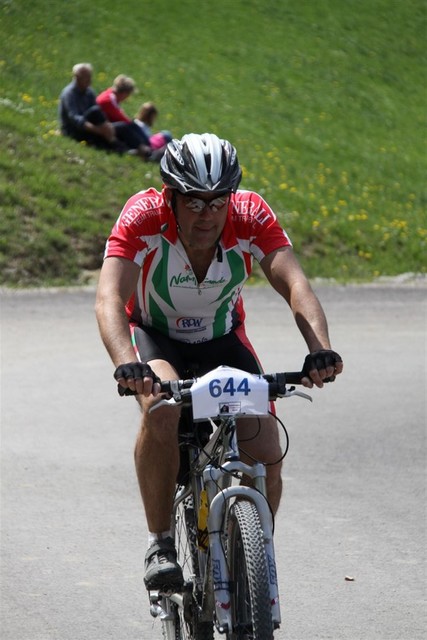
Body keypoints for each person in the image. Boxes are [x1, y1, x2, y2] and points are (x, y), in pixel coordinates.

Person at [95, 133, 343, 591]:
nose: (206, 214)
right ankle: (160, 544)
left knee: (265, 450)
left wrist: (319, 348)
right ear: (171, 196)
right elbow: (109, 296)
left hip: (222, 340)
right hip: (156, 338)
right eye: (193, 201)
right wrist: (128, 364)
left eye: (217, 202)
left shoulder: (250, 214)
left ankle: (252, 557)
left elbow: (295, 285)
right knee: (161, 410)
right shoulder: (143, 215)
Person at [59, 64, 151, 159]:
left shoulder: (89, 92)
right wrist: (99, 130)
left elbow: (98, 112)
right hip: (75, 130)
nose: (90, 80)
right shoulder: (69, 94)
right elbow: (75, 118)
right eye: (87, 77)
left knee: (124, 127)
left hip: (92, 126)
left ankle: (142, 148)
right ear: (77, 77)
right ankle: (128, 150)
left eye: (90, 77)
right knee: (96, 114)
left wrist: (106, 127)